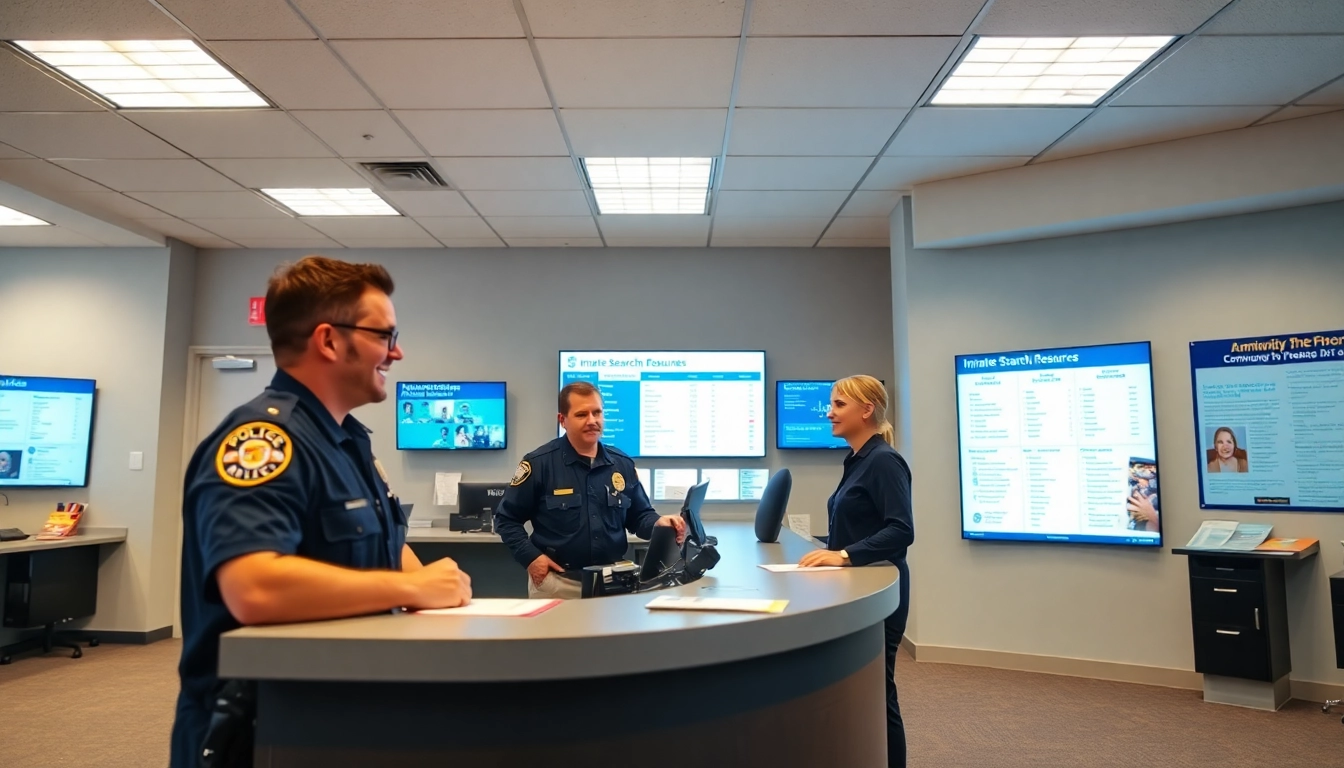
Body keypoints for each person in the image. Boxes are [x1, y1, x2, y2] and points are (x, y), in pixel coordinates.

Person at [170, 256, 472, 768]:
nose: (397, 352)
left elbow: (383, 548)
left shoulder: (347, 442)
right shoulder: (262, 441)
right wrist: (412, 588)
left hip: (339, 713)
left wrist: (434, 586)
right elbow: (255, 587)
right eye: (385, 334)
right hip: (264, 729)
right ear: (330, 341)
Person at [798, 374, 913, 768]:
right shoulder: (857, 458)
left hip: (879, 598)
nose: (829, 412)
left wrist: (844, 555)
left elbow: (901, 530)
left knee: (879, 695)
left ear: (867, 410)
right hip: (857, 591)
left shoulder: (883, 461)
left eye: (839, 405)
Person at [494, 381, 685, 599]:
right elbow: (506, 519)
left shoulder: (621, 464)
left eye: (597, 413)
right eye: (582, 414)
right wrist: (530, 558)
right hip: (558, 583)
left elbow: (639, 517)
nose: (592, 421)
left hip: (613, 584)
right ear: (562, 420)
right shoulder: (539, 464)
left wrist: (659, 524)